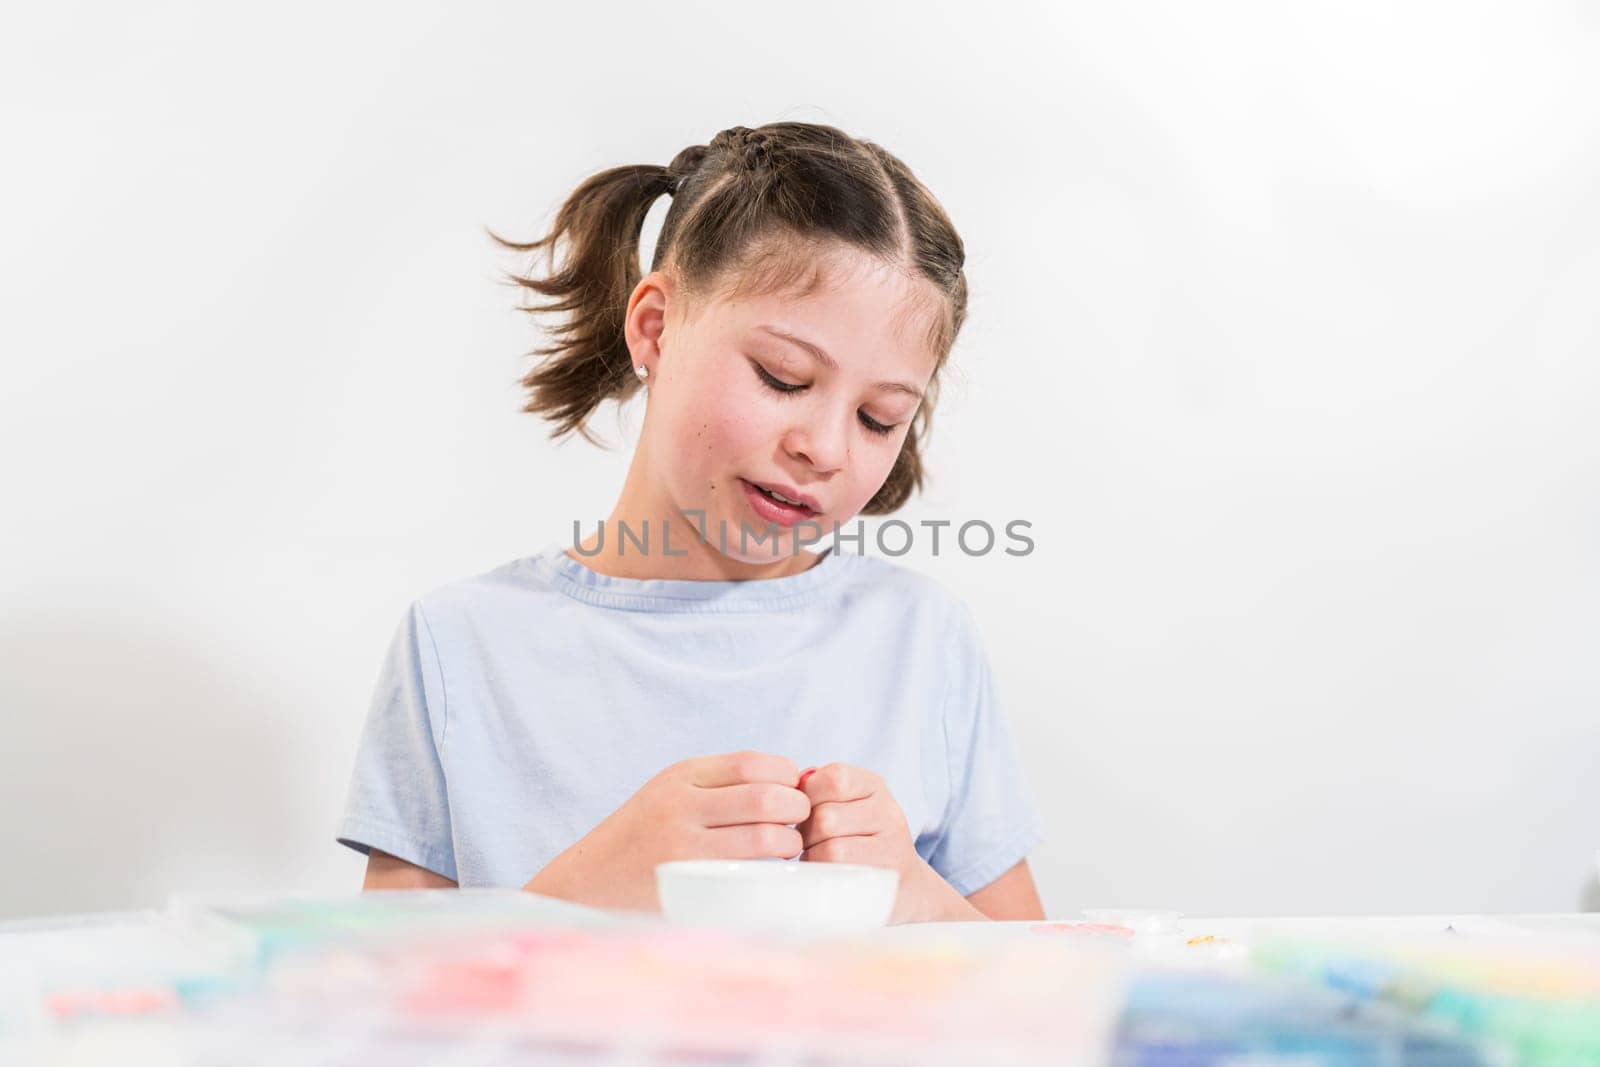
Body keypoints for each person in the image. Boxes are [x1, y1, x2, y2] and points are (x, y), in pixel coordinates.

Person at [336, 122, 1046, 922]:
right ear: (655, 327)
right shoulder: (461, 647)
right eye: (783, 378)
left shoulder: (922, 639)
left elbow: (1041, 994)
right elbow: (380, 1000)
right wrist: (587, 886)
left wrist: (917, 897)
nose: (822, 448)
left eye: (879, 419)